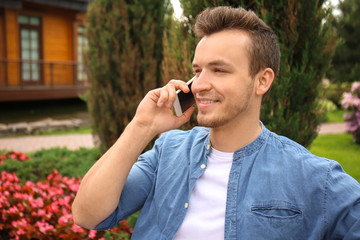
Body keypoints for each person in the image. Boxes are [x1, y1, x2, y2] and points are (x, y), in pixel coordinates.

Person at [72, 6, 360, 239]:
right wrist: (142, 126)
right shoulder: (167, 152)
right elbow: (88, 215)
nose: (198, 85)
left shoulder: (313, 178)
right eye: (197, 70)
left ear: (262, 80)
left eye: (219, 70)